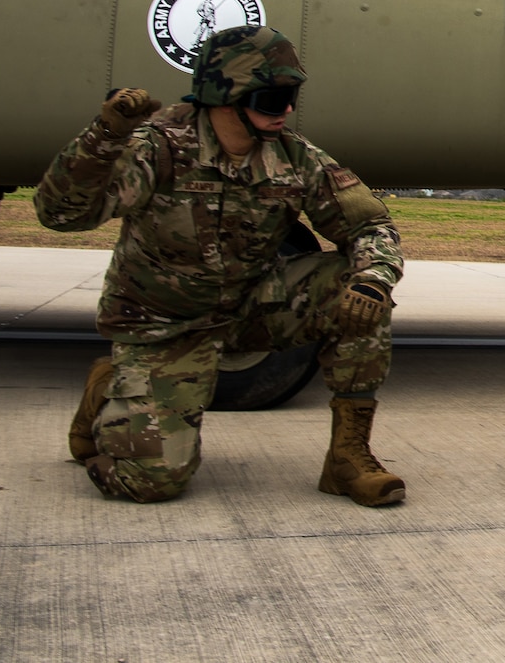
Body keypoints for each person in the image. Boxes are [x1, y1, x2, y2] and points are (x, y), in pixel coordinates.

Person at [36, 26, 406, 506]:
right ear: (225, 97)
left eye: (290, 96)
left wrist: (375, 278)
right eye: (274, 99)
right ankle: (108, 392)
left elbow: (370, 226)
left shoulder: (294, 158)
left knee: (356, 291)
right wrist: (105, 137)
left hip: (246, 308)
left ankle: (348, 458)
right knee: (150, 483)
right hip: (163, 327)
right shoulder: (158, 148)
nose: (287, 110)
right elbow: (62, 214)